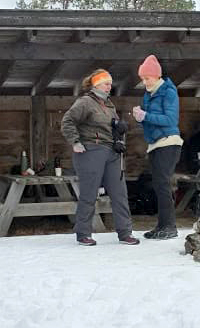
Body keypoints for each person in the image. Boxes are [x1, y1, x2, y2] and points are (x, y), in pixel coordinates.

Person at [60, 69, 138, 246]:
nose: (109, 87)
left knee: (119, 193)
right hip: (91, 150)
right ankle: (83, 233)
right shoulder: (85, 102)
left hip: (111, 151)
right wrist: (75, 142)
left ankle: (125, 232)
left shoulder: (109, 105)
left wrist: (119, 132)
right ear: (96, 84)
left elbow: (112, 127)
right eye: (106, 84)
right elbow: (67, 121)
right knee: (89, 193)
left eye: (110, 84)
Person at [131, 55, 182, 239]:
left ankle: (170, 227)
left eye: (147, 78)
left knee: (163, 185)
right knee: (158, 186)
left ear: (157, 76)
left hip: (168, 142)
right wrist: (140, 117)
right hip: (154, 144)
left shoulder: (168, 92)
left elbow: (171, 120)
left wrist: (146, 116)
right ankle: (161, 225)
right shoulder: (148, 94)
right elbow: (150, 121)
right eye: (143, 79)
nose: (145, 82)